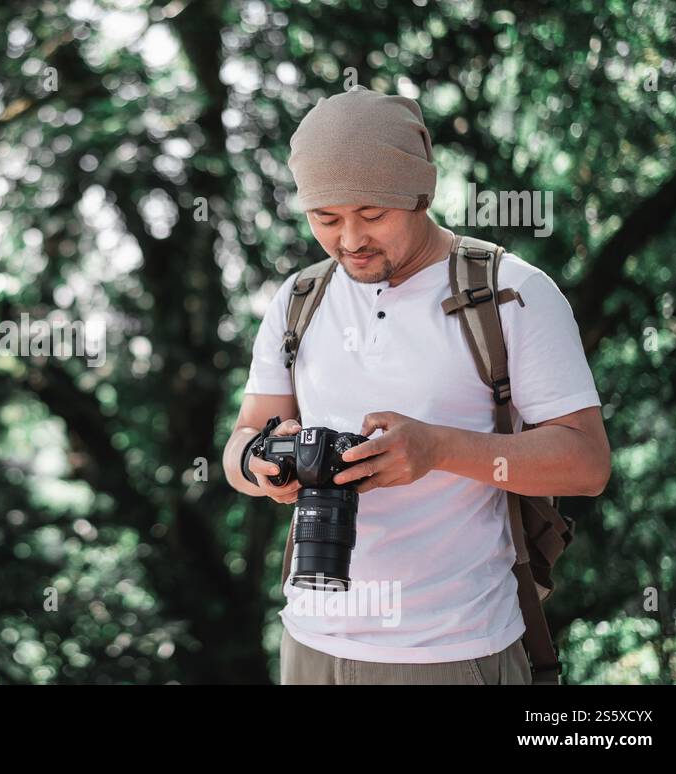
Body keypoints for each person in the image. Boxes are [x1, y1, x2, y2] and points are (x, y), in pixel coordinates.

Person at [222, 87, 610, 684]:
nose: (349, 239)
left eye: (372, 214)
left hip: (453, 650)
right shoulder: (300, 299)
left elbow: (586, 464)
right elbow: (246, 434)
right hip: (309, 641)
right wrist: (261, 468)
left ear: (420, 193)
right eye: (327, 218)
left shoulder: (512, 293)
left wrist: (439, 449)